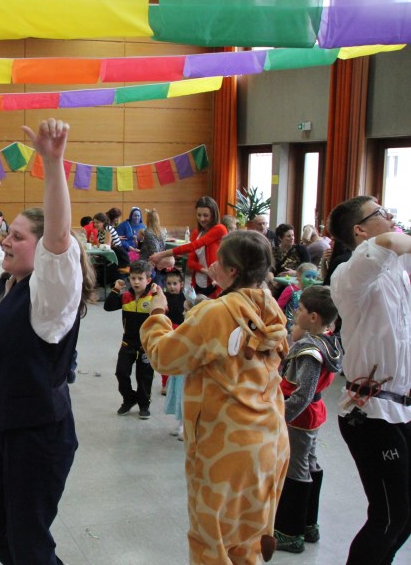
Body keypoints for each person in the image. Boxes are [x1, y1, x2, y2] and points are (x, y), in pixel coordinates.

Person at [0, 118, 93, 565]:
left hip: (37, 435)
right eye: (8, 233)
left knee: (29, 544)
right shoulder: (4, 280)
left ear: (42, 252)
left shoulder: (50, 295)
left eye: (18, 237)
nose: (6, 241)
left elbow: (57, 237)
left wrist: (53, 163)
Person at [141, 231, 289, 564]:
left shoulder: (216, 313)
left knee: (212, 542)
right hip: (270, 440)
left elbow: (165, 356)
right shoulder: (270, 308)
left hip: (227, 445)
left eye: (218, 261)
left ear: (232, 270)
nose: (212, 265)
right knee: (247, 539)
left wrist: (157, 315)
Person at [327, 196, 411, 565]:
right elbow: (390, 241)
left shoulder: (396, 268)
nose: (389, 216)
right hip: (370, 414)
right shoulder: (350, 273)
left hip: (400, 408)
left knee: (404, 516)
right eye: (379, 212)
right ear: (360, 231)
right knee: (388, 516)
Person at [273, 286, 342, 554]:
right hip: (314, 412)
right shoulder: (329, 341)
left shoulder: (311, 350)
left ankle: (291, 531)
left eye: (300, 309)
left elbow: (303, 394)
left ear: (313, 317)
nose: (296, 313)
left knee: (297, 468)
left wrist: (280, 417)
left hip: (300, 416)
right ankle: (308, 523)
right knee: (310, 464)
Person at [104, 260, 156, 419]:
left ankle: (144, 404)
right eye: (133, 278)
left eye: (140, 278)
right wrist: (116, 289)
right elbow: (108, 306)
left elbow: (165, 312)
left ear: (148, 280)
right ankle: (129, 399)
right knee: (121, 373)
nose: (136, 282)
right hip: (127, 343)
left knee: (144, 377)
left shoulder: (153, 298)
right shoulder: (126, 297)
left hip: (146, 345)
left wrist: (158, 294)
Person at [149, 197, 228, 297]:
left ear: (213, 215)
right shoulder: (196, 233)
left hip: (214, 283)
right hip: (198, 282)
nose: (202, 219)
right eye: (199, 215)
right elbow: (191, 262)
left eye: (206, 215)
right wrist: (206, 271)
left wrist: (162, 254)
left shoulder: (219, 229)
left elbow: (192, 246)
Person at [158, 267, 186, 402]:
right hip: (167, 329)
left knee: (180, 358)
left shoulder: (185, 298)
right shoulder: (163, 298)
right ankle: (165, 383)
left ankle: (180, 383)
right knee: (166, 358)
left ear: (181, 284)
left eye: (175, 283)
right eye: (169, 284)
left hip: (181, 330)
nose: (172, 287)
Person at [276, 262, 319, 334]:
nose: (311, 280)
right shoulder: (290, 290)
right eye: (308, 276)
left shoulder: (312, 292)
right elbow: (279, 306)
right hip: (289, 326)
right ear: (298, 276)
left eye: (314, 277)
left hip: (304, 326)